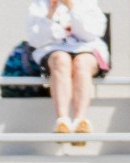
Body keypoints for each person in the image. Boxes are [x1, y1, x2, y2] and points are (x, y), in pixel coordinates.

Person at [29, 0, 109, 140]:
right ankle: (63, 120)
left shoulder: (88, 3)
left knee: (82, 62)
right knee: (61, 60)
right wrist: (50, 14)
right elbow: (35, 39)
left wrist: (71, 7)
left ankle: (80, 121)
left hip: (87, 49)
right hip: (53, 50)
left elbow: (91, 33)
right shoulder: (40, 4)